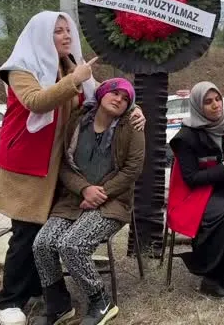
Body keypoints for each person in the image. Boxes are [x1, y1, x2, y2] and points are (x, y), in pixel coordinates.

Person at [0, 11, 145, 325]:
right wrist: (75, 80)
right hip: (27, 163)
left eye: (67, 30)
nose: (66, 36)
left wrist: (136, 108)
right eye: (57, 31)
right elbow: (36, 101)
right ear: (41, 35)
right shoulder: (21, 68)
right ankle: (8, 301)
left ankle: (45, 294)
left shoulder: (70, 64)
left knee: (42, 233)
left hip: (57, 163)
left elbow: (104, 93)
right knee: (26, 233)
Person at [32, 78, 144, 325]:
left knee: (72, 245)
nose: (119, 99)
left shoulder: (132, 126)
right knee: (42, 244)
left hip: (112, 202)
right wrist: (84, 189)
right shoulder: (77, 121)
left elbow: (133, 169)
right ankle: (59, 305)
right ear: (101, 94)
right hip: (73, 199)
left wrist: (99, 194)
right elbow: (64, 164)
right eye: (115, 93)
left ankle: (101, 301)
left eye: (126, 98)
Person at [167, 81, 224, 298]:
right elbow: (191, 179)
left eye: (218, 99)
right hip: (194, 195)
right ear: (198, 106)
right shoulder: (185, 137)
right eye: (208, 102)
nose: (216, 105)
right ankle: (213, 278)